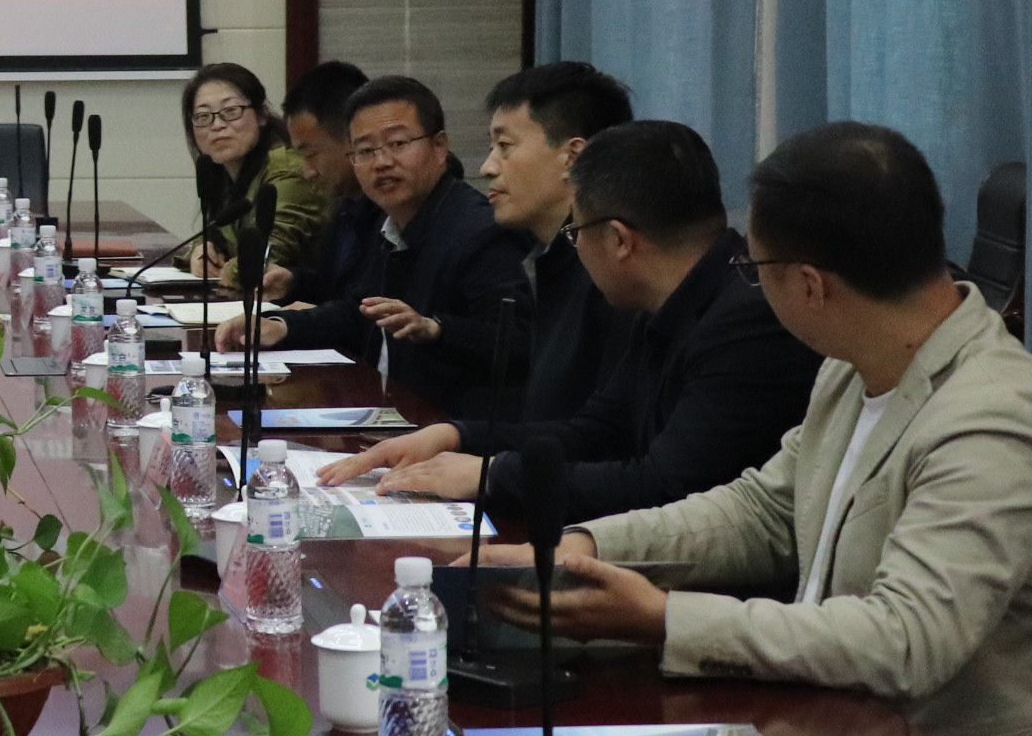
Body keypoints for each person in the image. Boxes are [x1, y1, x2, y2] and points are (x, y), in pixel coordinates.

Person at [488, 122, 1032, 736]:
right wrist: (587, 547)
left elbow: (905, 639)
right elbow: (764, 510)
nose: (750, 286)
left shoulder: (997, 419)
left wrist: (667, 619)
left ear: (810, 285)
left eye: (754, 270)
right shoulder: (851, 367)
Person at [322, 120, 819, 524]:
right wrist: (457, 436)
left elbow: (665, 486)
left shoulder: (747, 323)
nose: (575, 246)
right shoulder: (664, 301)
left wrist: (492, 476)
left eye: (576, 231)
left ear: (619, 241)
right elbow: (598, 429)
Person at [222, 74, 528, 415]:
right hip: (385, 412)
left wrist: (436, 329)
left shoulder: (479, 231)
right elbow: (358, 311)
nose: (382, 162)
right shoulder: (388, 223)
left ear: (439, 146)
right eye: (366, 151)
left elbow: (518, 345)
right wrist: (280, 327)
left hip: (444, 428)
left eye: (397, 144)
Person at [473, 61, 637, 422]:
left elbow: (597, 433)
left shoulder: (614, 274)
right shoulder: (542, 257)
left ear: (573, 156)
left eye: (504, 146)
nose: (488, 167)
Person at [178, 61, 325, 285]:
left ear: (261, 115)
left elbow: (265, 255)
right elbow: (214, 234)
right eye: (203, 116)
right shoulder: (223, 174)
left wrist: (228, 271)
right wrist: (199, 250)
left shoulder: (288, 171)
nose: (217, 125)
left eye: (231, 111)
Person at [267, 59, 368, 303]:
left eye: (310, 153)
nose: (307, 171)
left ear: (351, 139)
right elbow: (333, 288)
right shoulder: (345, 206)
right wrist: (293, 282)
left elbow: (364, 309)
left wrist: (305, 320)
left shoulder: (393, 213)